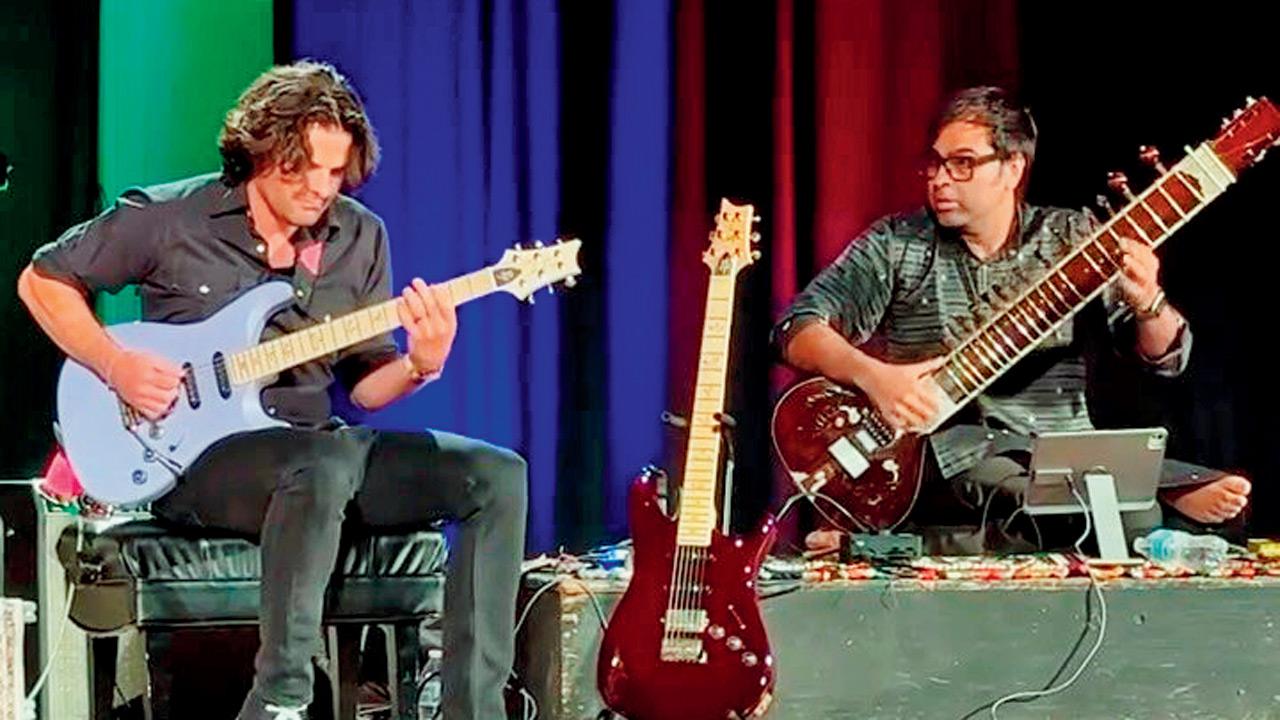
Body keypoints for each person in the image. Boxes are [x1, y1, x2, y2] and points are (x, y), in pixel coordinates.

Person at [17, 61, 526, 720]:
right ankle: (281, 698)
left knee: (495, 474)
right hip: (198, 460)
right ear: (262, 150)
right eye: (304, 168)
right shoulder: (173, 217)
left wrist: (422, 364)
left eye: (335, 172)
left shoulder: (360, 234)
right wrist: (115, 365)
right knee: (323, 461)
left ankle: (473, 710)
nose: (321, 189)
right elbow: (42, 280)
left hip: (317, 454)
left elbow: (366, 389)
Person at [773, 86, 1250, 552]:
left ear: (1012, 168)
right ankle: (1158, 490)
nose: (939, 179)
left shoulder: (1074, 240)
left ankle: (901, 544)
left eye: (962, 164)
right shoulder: (898, 245)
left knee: (1142, 514)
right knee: (1088, 510)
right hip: (948, 453)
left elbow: (1166, 358)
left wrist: (1147, 299)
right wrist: (876, 377)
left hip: (1060, 450)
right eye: (935, 163)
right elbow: (795, 328)